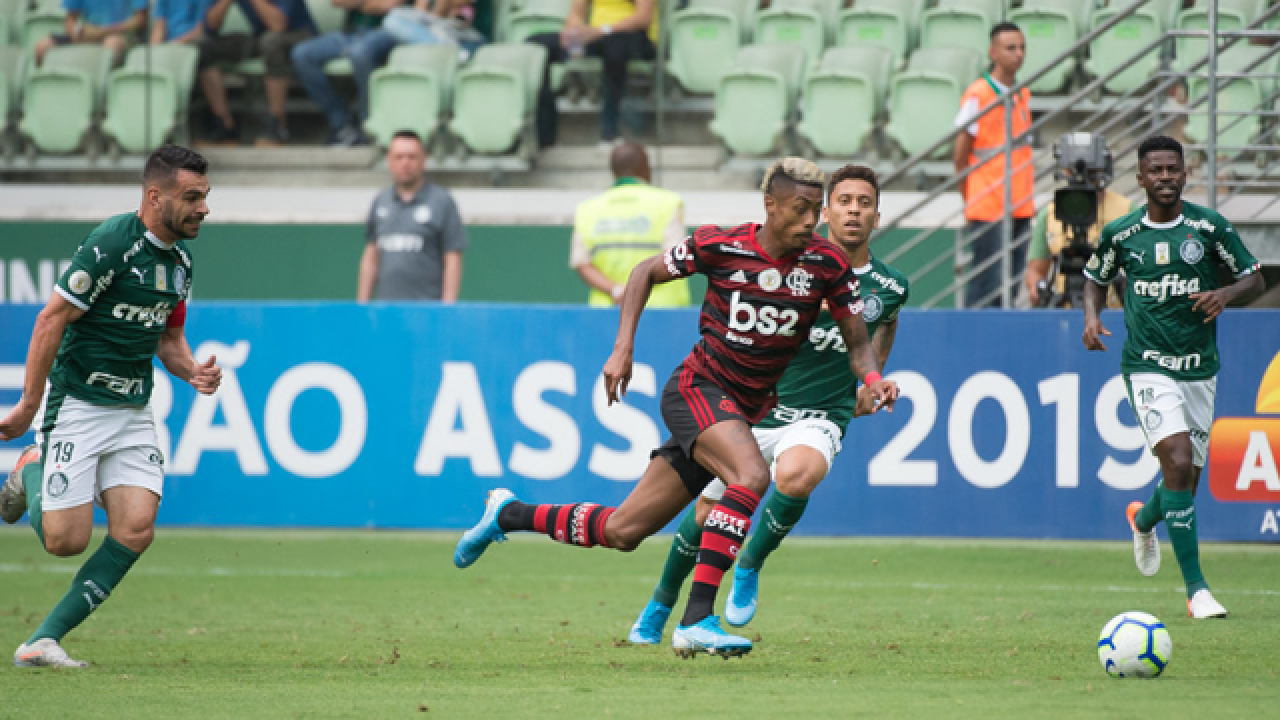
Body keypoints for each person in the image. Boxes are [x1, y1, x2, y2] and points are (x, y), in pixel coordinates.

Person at [453, 158, 900, 659]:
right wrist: (623, 348)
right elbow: (644, 271)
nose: (810, 221)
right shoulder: (721, 245)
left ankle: (508, 514)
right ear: (770, 205)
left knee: (623, 530)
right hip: (698, 389)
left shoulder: (828, 265)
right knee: (751, 476)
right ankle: (697, 620)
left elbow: (857, 344)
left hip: (742, 410)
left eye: (816, 210)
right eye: (800, 209)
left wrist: (874, 380)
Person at [629, 164, 909, 643]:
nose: (853, 212)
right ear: (826, 212)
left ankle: (751, 562)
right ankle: (660, 601)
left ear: (877, 216)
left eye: (864, 203)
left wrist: (872, 380)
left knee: (798, 474)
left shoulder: (890, 288)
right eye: (844, 202)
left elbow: (874, 338)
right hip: (758, 408)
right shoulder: (797, 263)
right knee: (705, 515)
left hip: (822, 413)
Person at [0, 145, 223, 668]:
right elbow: (51, 319)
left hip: (133, 409)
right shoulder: (113, 243)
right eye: (192, 197)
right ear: (155, 196)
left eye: (206, 196)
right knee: (65, 542)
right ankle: (31, 466)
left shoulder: (180, 263)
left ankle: (43, 641)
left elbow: (169, 340)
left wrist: (194, 371)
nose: (204, 208)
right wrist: (29, 405)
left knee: (136, 529)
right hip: (78, 403)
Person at [1081, 135, 1264, 620]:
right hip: (1147, 365)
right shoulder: (1122, 233)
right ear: (1140, 178)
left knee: (1185, 481)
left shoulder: (1209, 227)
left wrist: (1225, 295)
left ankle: (1143, 520)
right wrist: (1091, 318)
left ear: (1184, 173)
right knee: (1178, 460)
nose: (1165, 177)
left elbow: (1255, 277)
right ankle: (1197, 591)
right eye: (1156, 170)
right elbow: (1095, 277)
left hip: (1198, 368)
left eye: (1172, 169)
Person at [953, 21, 1035, 308]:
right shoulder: (978, 94)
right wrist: (969, 198)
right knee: (988, 283)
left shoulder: (1022, 92)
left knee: (1011, 280)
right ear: (993, 53)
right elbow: (960, 154)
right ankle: (975, 331)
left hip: (1020, 203)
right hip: (989, 204)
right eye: (1011, 48)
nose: (1019, 54)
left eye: (1022, 47)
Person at [569, 141, 690, 307]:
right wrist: (637, 289)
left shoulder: (588, 209)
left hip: (607, 313)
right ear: (645, 167)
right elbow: (675, 258)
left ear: (613, 170)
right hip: (662, 311)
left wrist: (617, 290)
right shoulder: (668, 203)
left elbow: (582, 264)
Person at [526, 0, 657, 148]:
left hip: (635, 37)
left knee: (615, 46)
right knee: (536, 44)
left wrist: (601, 30)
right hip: (597, 37)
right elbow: (576, 13)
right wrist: (575, 38)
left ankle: (610, 133)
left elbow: (643, 18)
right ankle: (544, 134)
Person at [358, 130, 466, 302]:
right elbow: (371, 255)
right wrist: (362, 306)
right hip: (387, 310)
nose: (405, 163)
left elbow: (452, 258)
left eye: (412, 157)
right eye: (399, 157)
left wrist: (447, 309)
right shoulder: (380, 201)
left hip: (428, 309)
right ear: (389, 161)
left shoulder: (442, 202)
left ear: (424, 160)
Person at [197, 0, 317, 145]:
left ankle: (278, 128)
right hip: (262, 36)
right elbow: (210, 26)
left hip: (301, 35)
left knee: (271, 42)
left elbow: (278, 25)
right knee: (204, 47)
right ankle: (224, 128)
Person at [291, 0, 403, 147]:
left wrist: (359, 4)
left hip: (388, 31)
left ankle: (368, 125)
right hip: (351, 32)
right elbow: (338, 1)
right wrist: (369, 4)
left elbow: (387, 5)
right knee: (302, 54)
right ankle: (342, 123)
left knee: (360, 54)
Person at [1026, 186, 1133, 308]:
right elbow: (1035, 270)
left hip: (1114, 310)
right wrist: (1038, 290)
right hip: (1064, 310)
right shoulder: (1049, 213)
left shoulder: (1128, 210)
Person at [34, 0, 148, 66]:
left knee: (112, 44)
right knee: (43, 46)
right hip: (89, 35)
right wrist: (77, 34)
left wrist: (102, 31)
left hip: (121, 35)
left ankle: (104, 96)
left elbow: (140, 20)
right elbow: (70, 20)